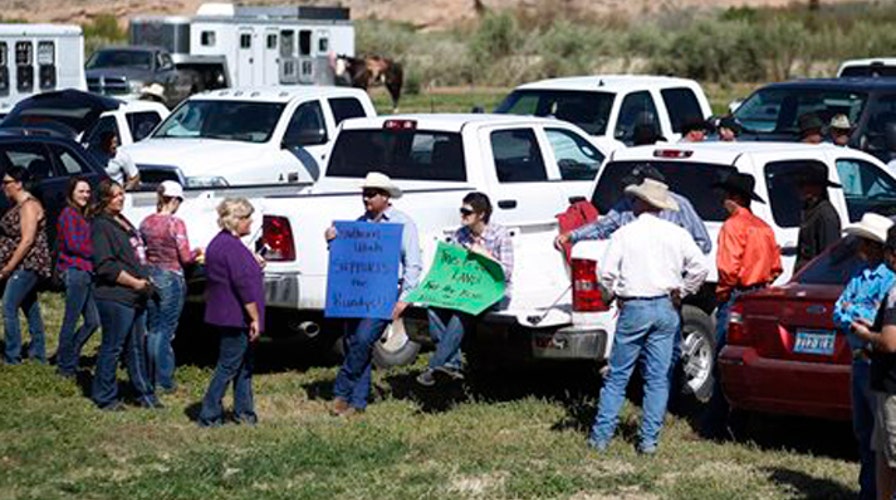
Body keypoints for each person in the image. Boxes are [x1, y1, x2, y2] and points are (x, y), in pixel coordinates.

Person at [588, 178, 708, 454]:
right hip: (666, 305)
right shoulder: (676, 233)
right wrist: (684, 290)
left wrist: (610, 295)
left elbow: (605, 273)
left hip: (635, 306)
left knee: (618, 375)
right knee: (657, 377)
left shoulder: (625, 233)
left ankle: (601, 437)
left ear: (642, 203)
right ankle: (649, 440)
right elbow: (699, 267)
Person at [325, 172, 422, 416]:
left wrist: (404, 299)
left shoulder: (403, 224)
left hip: (384, 295)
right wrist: (333, 241)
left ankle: (342, 390)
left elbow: (413, 263)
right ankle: (358, 402)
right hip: (357, 294)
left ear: (385, 196)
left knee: (363, 339)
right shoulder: (360, 223)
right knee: (354, 343)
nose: (366, 199)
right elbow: (347, 257)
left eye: (371, 194)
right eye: (364, 194)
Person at [702, 171, 782, 438]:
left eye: (726, 196)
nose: (723, 200)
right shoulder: (763, 227)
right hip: (759, 294)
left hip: (737, 295)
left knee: (724, 359)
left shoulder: (732, 226)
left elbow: (728, 269)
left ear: (734, 198)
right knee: (750, 359)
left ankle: (714, 425)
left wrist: (723, 293)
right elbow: (775, 268)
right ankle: (744, 423)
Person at [416, 192, 513, 386]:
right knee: (432, 307)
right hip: (464, 290)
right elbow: (450, 267)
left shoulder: (500, 234)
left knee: (463, 311)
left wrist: (484, 255)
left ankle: (435, 365)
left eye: (466, 211)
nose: (462, 215)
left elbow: (506, 274)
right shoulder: (460, 235)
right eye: (461, 210)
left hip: (494, 293)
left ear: (481, 214)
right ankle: (451, 362)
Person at [833, 213, 896, 500]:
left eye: (865, 241)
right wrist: (856, 317)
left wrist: (858, 318)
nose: (860, 246)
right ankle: (868, 490)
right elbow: (839, 310)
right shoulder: (859, 275)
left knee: (885, 438)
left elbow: (876, 323)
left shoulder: (889, 281)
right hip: (860, 360)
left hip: (877, 361)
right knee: (868, 433)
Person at [90, 179, 160, 410]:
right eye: (115, 195)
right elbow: (105, 265)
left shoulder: (121, 221)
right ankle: (105, 396)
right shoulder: (101, 225)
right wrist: (134, 283)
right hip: (116, 296)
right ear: (104, 199)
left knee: (136, 347)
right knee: (113, 347)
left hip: (136, 294)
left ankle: (144, 393)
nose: (121, 198)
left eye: (122, 194)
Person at [198, 198, 263, 427]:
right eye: (247, 218)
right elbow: (242, 285)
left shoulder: (220, 243)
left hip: (226, 314)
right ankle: (209, 414)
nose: (251, 222)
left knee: (244, 366)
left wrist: (255, 264)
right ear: (236, 220)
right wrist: (255, 317)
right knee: (228, 366)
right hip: (236, 316)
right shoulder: (232, 247)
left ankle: (245, 413)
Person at [555, 165, 712, 255]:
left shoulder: (680, 205)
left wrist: (678, 258)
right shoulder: (626, 205)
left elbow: (702, 243)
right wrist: (571, 235)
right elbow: (603, 227)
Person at [141, 181, 200, 392]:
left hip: (150, 275)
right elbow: (185, 256)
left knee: (153, 329)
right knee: (167, 331)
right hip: (171, 276)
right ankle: (163, 381)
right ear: (174, 200)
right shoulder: (176, 223)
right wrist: (198, 253)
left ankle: (149, 377)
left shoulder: (146, 222)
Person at [851, 226, 896, 500]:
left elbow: (891, 342)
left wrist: (867, 335)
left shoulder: (895, 291)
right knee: (883, 451)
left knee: (892, 454)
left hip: (893, 387)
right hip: (886, 383)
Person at [0, 166, 51, 364]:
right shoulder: (19, 205)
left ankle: (13, 355)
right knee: (30, 307)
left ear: (18, 184)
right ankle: (38, 353)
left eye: (7, 183)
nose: (3, 187)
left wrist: (8, 267)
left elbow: (27, 240)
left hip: (27, 264)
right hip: (22, 264)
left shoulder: (29, 206)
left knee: (9, 306)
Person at [54, 177, 100, 377]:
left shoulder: (83, 215)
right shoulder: (68, 215)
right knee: (71, 320)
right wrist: (98, 252)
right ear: (72, 193)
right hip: (75, 271)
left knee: (93, 321)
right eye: (81, 191)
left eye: (88, 192)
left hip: (87, 271)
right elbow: (74, 245)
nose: (85, 195)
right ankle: (65, 366)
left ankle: (70, 354)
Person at [792, 164, 842, 272]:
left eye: (802, 185)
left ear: (817, 188)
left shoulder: (826, 215)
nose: (798, 189)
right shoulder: (808, 210)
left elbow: (828, 255)